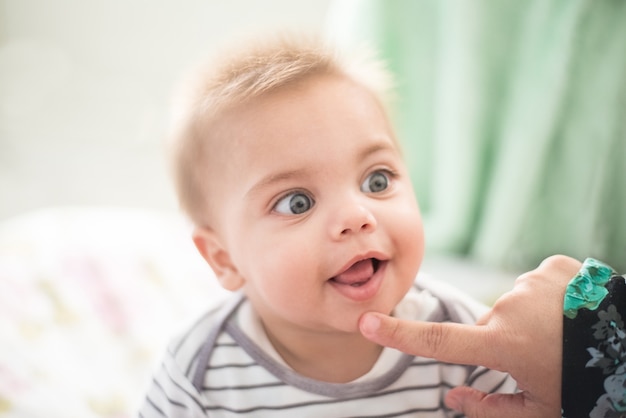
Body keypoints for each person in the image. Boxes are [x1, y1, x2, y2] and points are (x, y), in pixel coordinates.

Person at [138, 35, 517, 418]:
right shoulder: (198, 373)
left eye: (377, 181)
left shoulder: (466, 341)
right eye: (296, 203)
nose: (356, 216)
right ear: (225, 260)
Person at [359, 255, 626, 418]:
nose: (357, 216)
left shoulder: (461, 322)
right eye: (312, 203)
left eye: (378, 182)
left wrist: (586, 328)